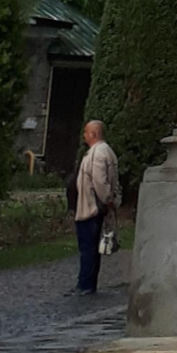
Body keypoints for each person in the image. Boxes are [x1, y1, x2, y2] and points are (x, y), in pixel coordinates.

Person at [69, 119, 120, 297]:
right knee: (89, 248)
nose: (84, 136)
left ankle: (86, 284)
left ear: (94, 134)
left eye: (86, 132)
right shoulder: (103, 151)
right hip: (92, 206)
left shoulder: (98, 153)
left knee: (88, 248)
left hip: (91, 208)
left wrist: (106, 199)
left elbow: (100, 181)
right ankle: (85, 283)